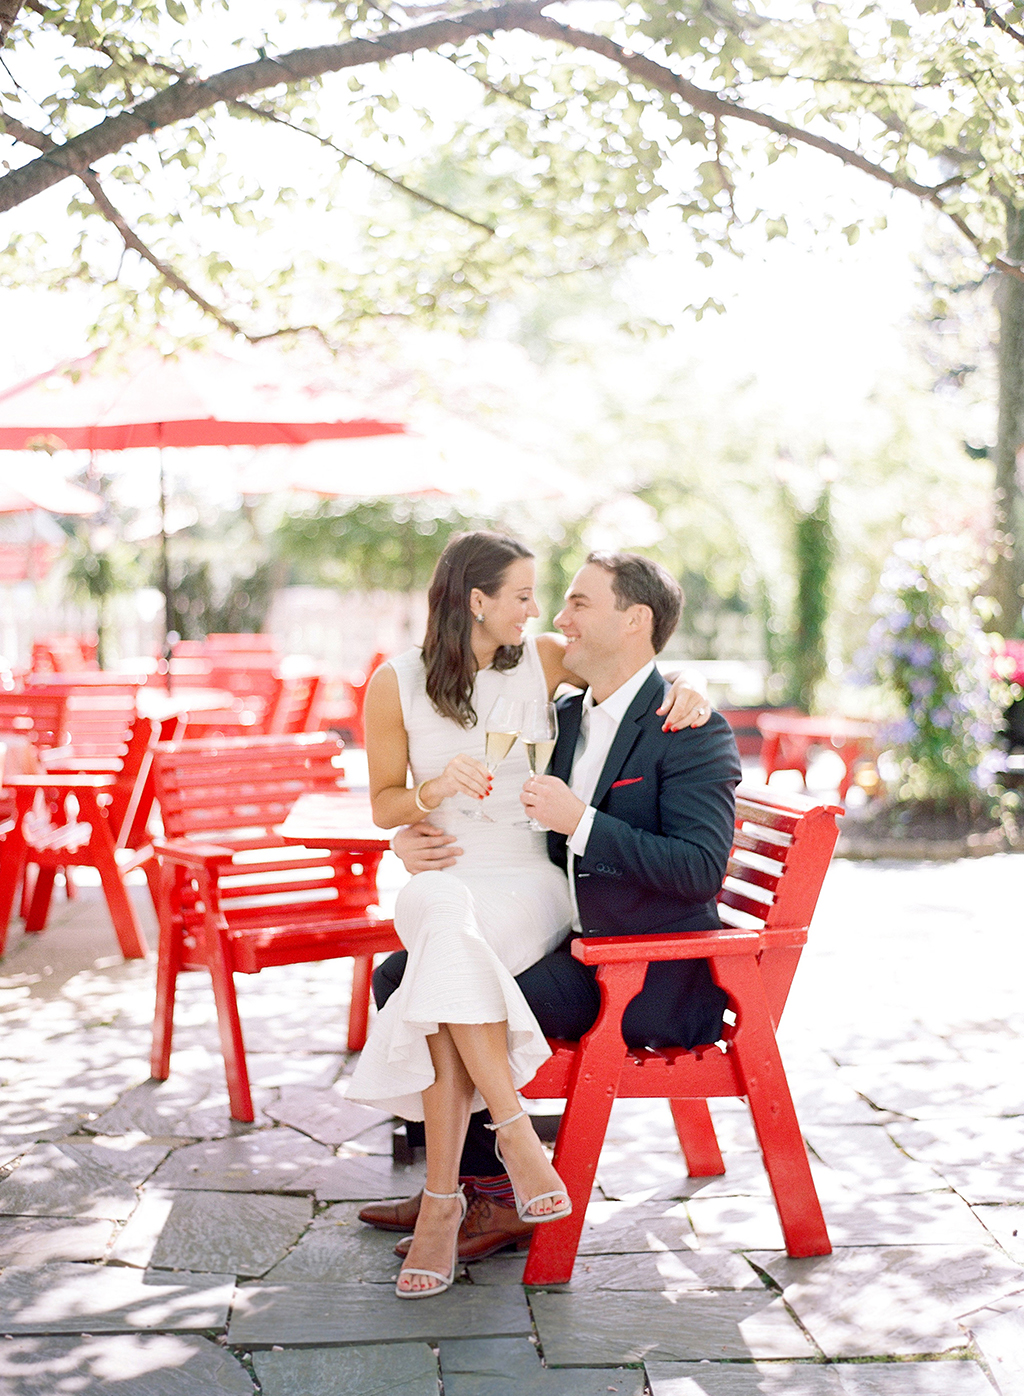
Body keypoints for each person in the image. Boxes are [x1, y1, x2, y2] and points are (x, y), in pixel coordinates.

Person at [345, 532, 709, 1297]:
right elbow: (384, 804)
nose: (545, 612)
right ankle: (510, 1146)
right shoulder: (395, 682)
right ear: (476, 601)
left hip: (526, 884)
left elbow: (632, 668)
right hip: (449, 878)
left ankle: (454, 1200)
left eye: (564, 599)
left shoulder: (542, 661)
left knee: (423, 978)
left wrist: (693, 683)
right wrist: (426, 803)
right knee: (440, 933)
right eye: (524, 595)